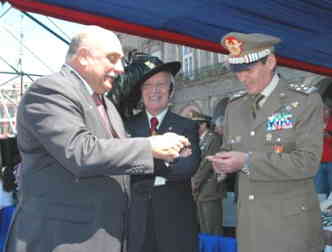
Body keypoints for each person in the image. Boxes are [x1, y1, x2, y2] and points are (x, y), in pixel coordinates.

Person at [5, 25, 190, 252]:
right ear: (83, 57)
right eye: (112, 59)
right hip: (61, 239)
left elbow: (115, 158)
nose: (120, 68)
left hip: (103, 235)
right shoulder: (50, 90)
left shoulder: (106, 104)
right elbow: (81, 152)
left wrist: (167, 153)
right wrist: (150, 146)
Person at [207, 32, 324, 252]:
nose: (242, 78)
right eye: (237, 72)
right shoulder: (235, 106)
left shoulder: (303, 101)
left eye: (248, 70)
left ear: (270, 62)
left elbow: (307, 162)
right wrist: (221, 164)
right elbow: (229, 150)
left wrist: (247, 162)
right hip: (250, 229)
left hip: (290, 230)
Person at [125, 55, 200, 252]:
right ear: (141, 92)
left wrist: (139, 159)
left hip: (176, 223)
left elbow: (187, 167)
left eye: (161, 85)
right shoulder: (126, 126)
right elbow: (121, 166)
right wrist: (166, 158)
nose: (154, 91)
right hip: (135, 223)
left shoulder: (187, 126)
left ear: (171, 91)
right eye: (148, 85)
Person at [190, 112, 224, 235]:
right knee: (204, 228)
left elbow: (206, 165)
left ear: (203, 125)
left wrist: (194, 183)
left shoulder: (213, 139)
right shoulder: (199, 139)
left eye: (196, 125)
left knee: (212, 227)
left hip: (210, 189)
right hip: (200, 191)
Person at [314, 100, 332, 198]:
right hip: (319, 161)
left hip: (331, 162)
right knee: (319, 190)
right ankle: (321, 210)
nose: (322, 111)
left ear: (330, 110)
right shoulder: (315, 123)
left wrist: (325, 134)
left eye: (325, 109)